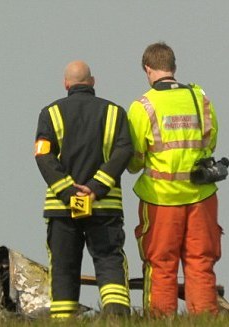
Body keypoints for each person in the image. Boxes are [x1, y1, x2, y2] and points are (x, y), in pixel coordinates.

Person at [127, 42, 221, 316]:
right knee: (201, 261)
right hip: (201, 196)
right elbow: (210, 142)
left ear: (148, 69)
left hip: (160, 198)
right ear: (174, 68)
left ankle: (160, 319)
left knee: (160, 263)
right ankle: (204, 319)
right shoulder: (200, 98)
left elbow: (134, 158)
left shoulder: (143, 105)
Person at [34, 60, 133, 318]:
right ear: (92, 82)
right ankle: (116, 318)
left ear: (66, 84)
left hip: (62, 209)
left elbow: (43, 156)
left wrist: (69, 192)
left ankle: (64, 320)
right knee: (109, 261)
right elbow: (124, 152)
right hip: (104, 206)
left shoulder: (49, 113)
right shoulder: (115, 113)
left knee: (64, 268)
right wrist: (95, 187)